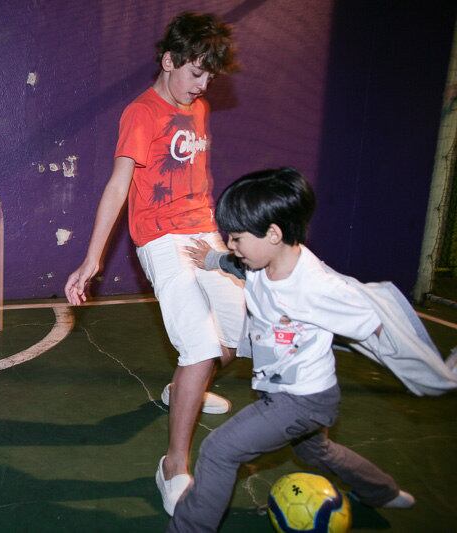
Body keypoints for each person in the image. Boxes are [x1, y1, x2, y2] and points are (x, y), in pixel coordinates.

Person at [63, 12, 246, 516]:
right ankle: (173, 464)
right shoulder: (140, 113)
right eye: (195, 73)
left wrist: (219, 236)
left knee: (232, 338)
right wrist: (91, 259)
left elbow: (198, 176)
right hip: (161, 239)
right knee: (200, 344)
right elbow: (119, 186)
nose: (202, 86)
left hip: (203, 231)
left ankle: (182, 388)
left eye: (210, 77)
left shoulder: (199, 108)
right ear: (168, 60)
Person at [171, 167, 415, 532]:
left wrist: (406, 355)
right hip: (289, 392)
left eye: (236, 238)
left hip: (302, 399)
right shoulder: (265, 262)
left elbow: (372, 320)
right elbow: (239, 267)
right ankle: (382, 492)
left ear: (273, 233)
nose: (231, 245)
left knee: (218, 451)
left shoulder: (314, 286)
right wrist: (211, 258)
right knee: (316, 451)